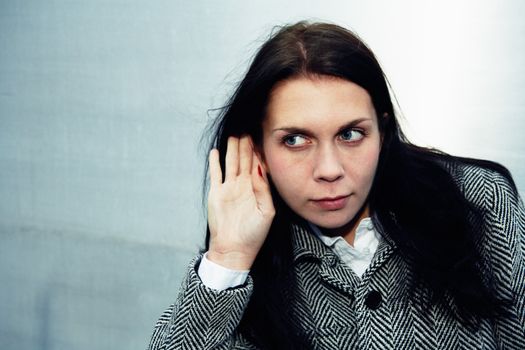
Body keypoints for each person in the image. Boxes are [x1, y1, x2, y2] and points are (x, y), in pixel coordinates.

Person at [147, 21, 525, 349]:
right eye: (295, 139)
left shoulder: (476, 199)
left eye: (350, 134)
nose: (329, 170)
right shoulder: (249, 262)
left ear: (382, 129)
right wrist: (228, 259)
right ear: (256, 150)